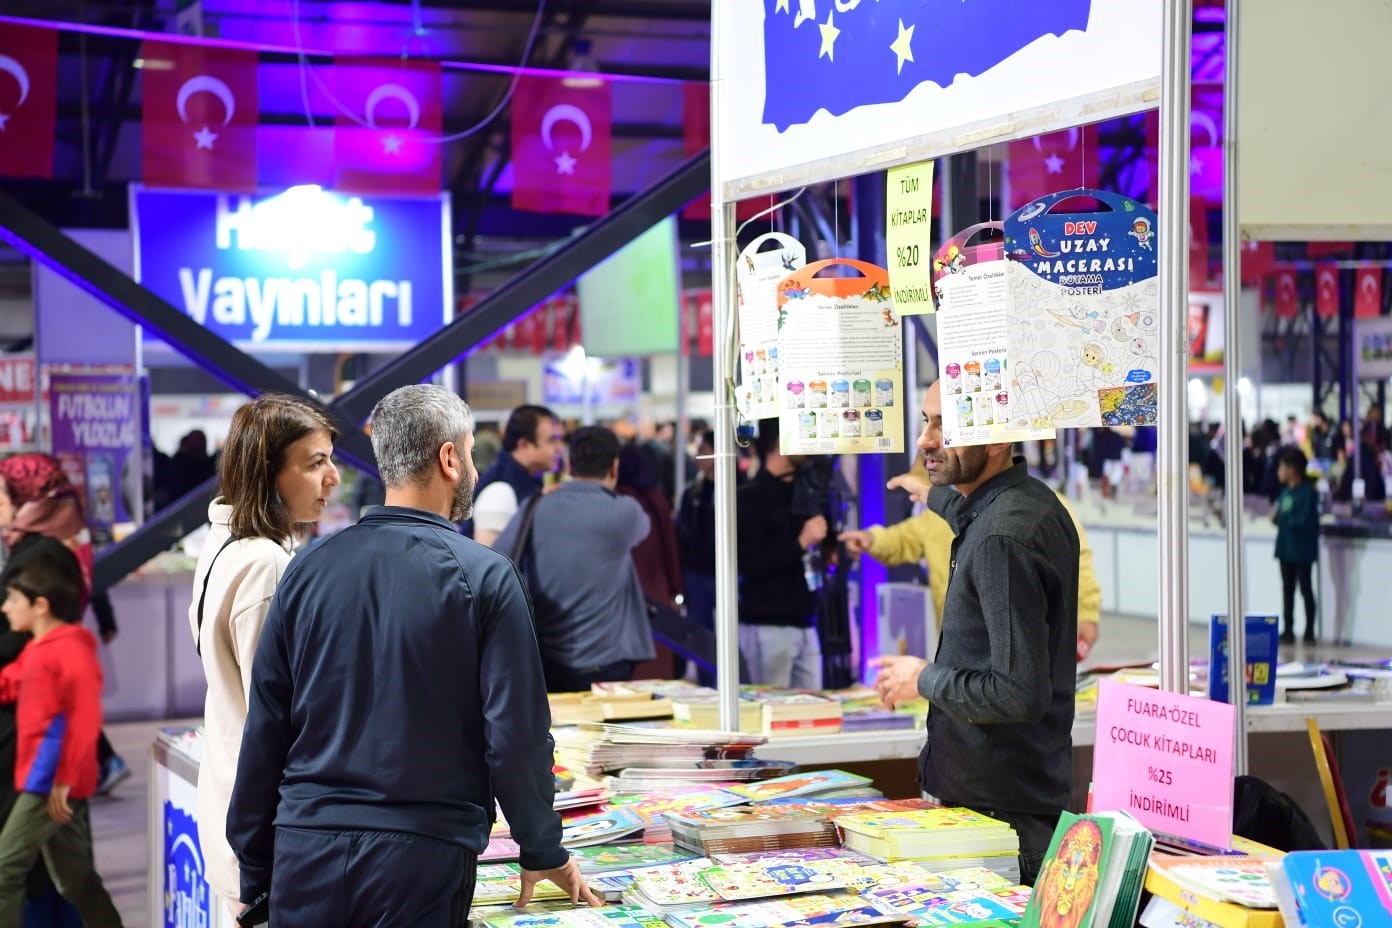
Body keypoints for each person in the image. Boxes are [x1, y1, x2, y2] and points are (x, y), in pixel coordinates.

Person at [228, 385, 599, 924]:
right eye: (470, 452)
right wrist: (541, 847)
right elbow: (515, 734)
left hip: (304, 851)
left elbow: (265, 729)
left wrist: (258, 871)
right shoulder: (485, 575)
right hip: (421, 856)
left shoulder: (307, 569)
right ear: (449, 459)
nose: (472, 466)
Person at [871, 381, 1079, 886]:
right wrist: (932, 494)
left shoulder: (1000, 539)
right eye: (927, 420)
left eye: (945, 425)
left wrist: (924, 678)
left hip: (998, 823)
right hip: (1005, 806)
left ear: (999, 439)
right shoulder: (1027, 503)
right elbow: (971, 506)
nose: (925, 440)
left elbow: (1016, 694)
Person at [188, 394, 340, 914]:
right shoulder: (264, 564)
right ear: (268, 471)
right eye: (315, 463)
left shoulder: (225, 539)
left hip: (233, 801)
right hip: (261, 824)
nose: (333, 478)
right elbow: (276, 714)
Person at [840, 473, 1104, 660]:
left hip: (1030, 649)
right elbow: (904, 539)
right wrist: (872, 540)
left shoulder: (1041, 506)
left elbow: (1075, 561)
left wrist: (1087, 614)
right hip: (962, 650)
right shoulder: (941, 515)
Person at [0, 455, 128, 808]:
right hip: (36, 716)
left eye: (4, 493)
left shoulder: (42, 552)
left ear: (29, 496)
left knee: (19, 850)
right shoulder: (50, 541)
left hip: (38, 716)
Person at [0, 558, 122, 927]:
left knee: (4, 871)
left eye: (12, 599)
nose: (5, 607)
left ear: (41, 605)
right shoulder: (40, 648)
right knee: (76, 881)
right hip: (48, 780)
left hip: (51, 782)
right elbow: (10, 682)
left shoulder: (68, 650)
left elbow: (84, 721)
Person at [495, 427, 657, 692]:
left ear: (570, 465)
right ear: (614, 468)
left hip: (546, 655)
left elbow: (498, 555)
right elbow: (644, 529)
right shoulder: (625, 511)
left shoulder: (535, 505)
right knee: (607, 731)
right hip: (609, 657)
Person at [736, 419, 826, 690]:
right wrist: (800, 542)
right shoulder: (749, 498)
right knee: (773, 710)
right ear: (781, 442)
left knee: (813, 711)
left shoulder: (806, 491)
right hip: (768, 623)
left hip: (806, 620)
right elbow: (750, 560)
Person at [466, 404, 564, 547]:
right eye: (552, 440)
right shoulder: (500, 491)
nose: (559, 448)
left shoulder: (529, 481)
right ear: (523, 444)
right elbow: (487, 562)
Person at [616, 443, 683, 612]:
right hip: (657, 589)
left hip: (624, 592)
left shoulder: (616, 500)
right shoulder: (656, 499)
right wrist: (675, 590)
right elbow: (670, 547)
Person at [1272, 446, 1319, 645]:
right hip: (1285, 548)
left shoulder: (1308, 493)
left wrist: (1283, 517)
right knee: (1287, 589)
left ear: (1293, 470)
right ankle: (1288, 629)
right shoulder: (1284, 492)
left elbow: (1304, 520)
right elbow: (1279, 516)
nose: (1279, 472)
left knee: (1305, 588)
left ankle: (1309, 630)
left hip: (1302, 549)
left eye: (1282, 467)